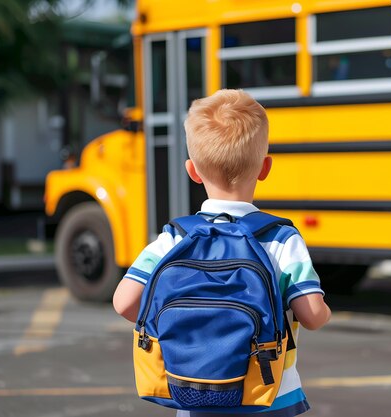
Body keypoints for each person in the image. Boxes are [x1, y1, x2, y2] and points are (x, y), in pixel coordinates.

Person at [113, 89, 331, 417]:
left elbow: (124, 303)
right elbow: (312, 315)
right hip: (270, 397)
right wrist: (324, 311)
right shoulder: (281, 239)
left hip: (193, 395)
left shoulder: (174, 238)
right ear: (265, 168)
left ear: (193, 171)